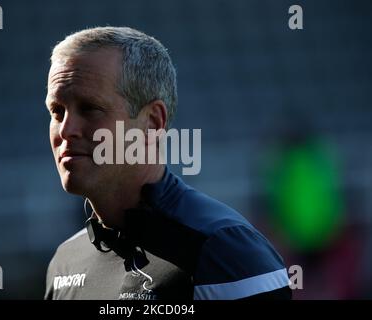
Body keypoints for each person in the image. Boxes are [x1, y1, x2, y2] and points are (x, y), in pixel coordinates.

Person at [44, 26, 291, 300]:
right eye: (57, 111)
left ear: (152, 123)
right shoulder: (63, 263)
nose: (66, 129)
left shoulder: (227, 254)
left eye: (89, 108)